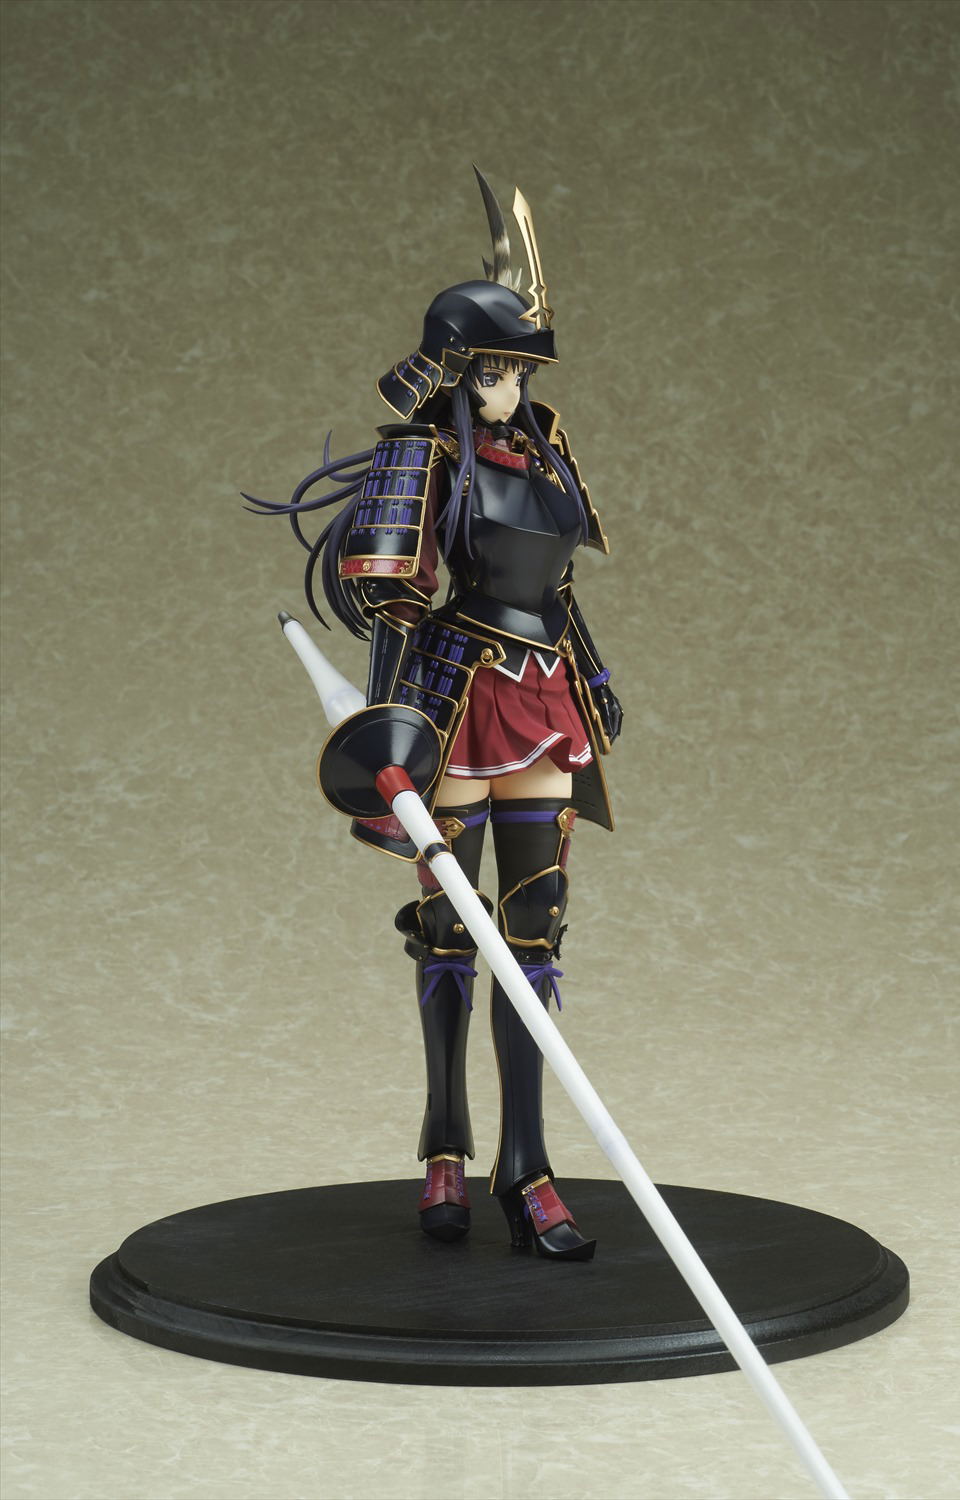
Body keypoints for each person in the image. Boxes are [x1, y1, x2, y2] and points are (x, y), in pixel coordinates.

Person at [247, 170, 621, 1260]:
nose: (509, 387)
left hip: (544, 690)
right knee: (453, 930)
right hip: (456, 695)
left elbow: (557, 587)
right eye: (492, 369)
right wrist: (389, 723)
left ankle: (528, 1168)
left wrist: (592, 675)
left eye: (518, 369)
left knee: (535, 932)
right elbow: (387, 595)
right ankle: (445, 1151)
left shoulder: (545, 451)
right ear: (454, 370)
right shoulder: (425, 455)